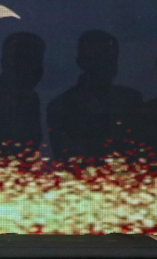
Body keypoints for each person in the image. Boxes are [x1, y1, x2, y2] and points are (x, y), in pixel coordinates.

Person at [47, 30, 142, 161]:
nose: (107, 64)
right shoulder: (62, 106)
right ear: (82, 62)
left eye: (111, 58)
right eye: (99, 58)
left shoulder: (131, 99)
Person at [0, 32, 45, 153]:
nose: (37, 68)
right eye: (28, 60)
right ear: (7, 62)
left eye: (38, 61)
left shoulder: (30, 98)